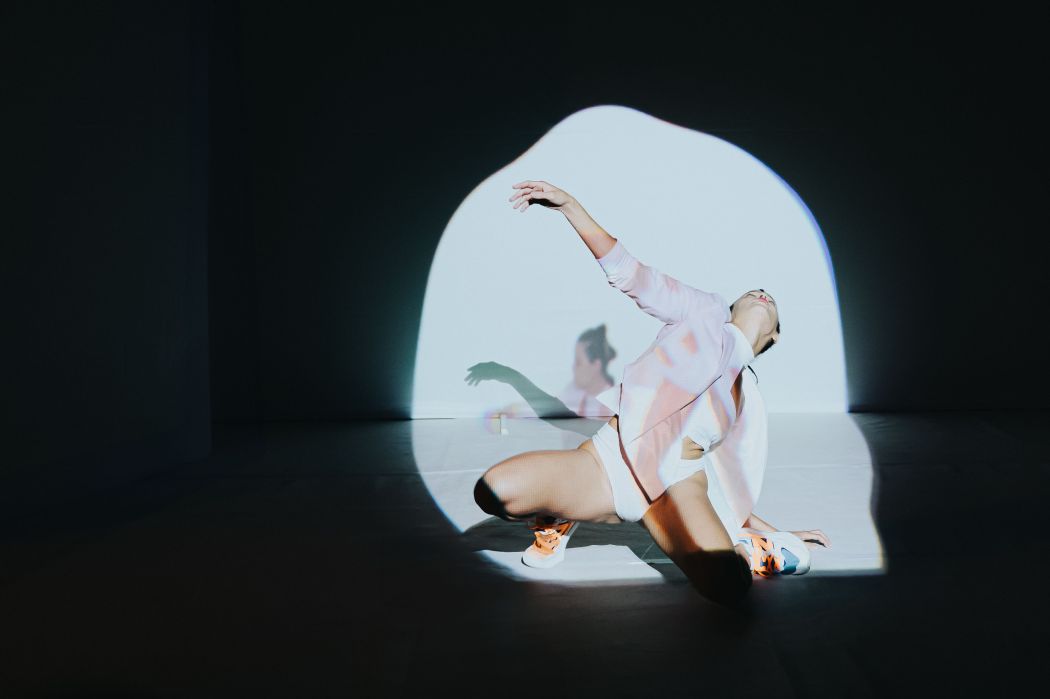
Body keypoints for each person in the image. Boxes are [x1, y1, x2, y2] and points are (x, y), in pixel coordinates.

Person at [473, 180, 830, 605]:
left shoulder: (746, 396)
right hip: (610, 460)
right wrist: (570, 206)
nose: (762, 294)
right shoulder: (701, 312)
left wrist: (773, 531)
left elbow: (730, 482)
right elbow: (632, 274)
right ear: (732, 306)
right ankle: (559, 513)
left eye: (772, 303)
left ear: (774, 337)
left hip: (674, 490)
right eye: (752, 292)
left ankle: (753, 551)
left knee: (730, 586)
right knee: (494, 490)